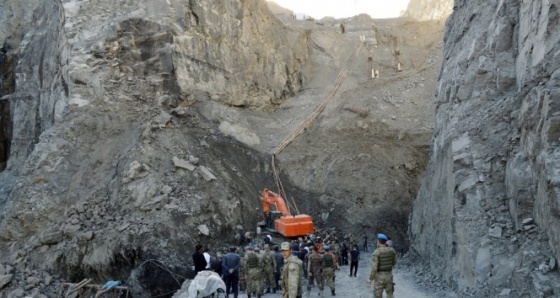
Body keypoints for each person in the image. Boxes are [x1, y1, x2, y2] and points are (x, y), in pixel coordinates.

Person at [367, 234, 397, 298]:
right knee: (390, 295)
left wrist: (370, 278)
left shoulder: (376, 252)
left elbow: (374, 268)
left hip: (379, 277)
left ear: (378, 241)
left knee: (377, 296)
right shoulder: (391, 250)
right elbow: (394, 262)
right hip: (389, 275)